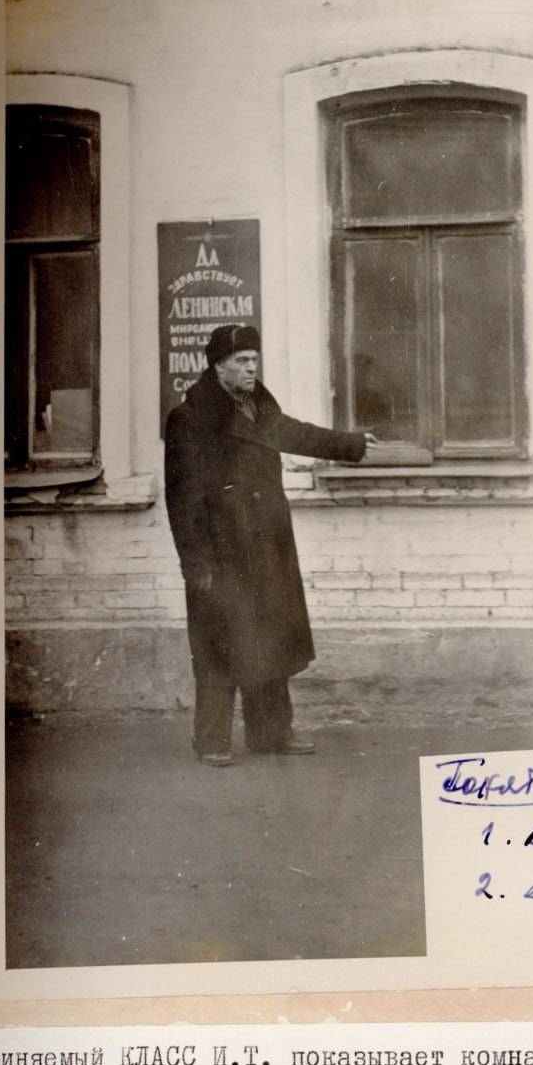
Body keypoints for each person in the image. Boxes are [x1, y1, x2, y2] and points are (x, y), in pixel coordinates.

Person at [164, 324, 377, 766]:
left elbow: (298, 434)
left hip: (265, 547)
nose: (250, 368)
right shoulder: (190, 418)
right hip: (221, 553)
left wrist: (351, 443)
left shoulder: (259, 407)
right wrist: (196, 564)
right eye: (241, 361)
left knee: (270, 638)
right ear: (218, 365)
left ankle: (271, 733)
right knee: (219, 645)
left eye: (254, 361)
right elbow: (181, 499)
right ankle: (212, 741)